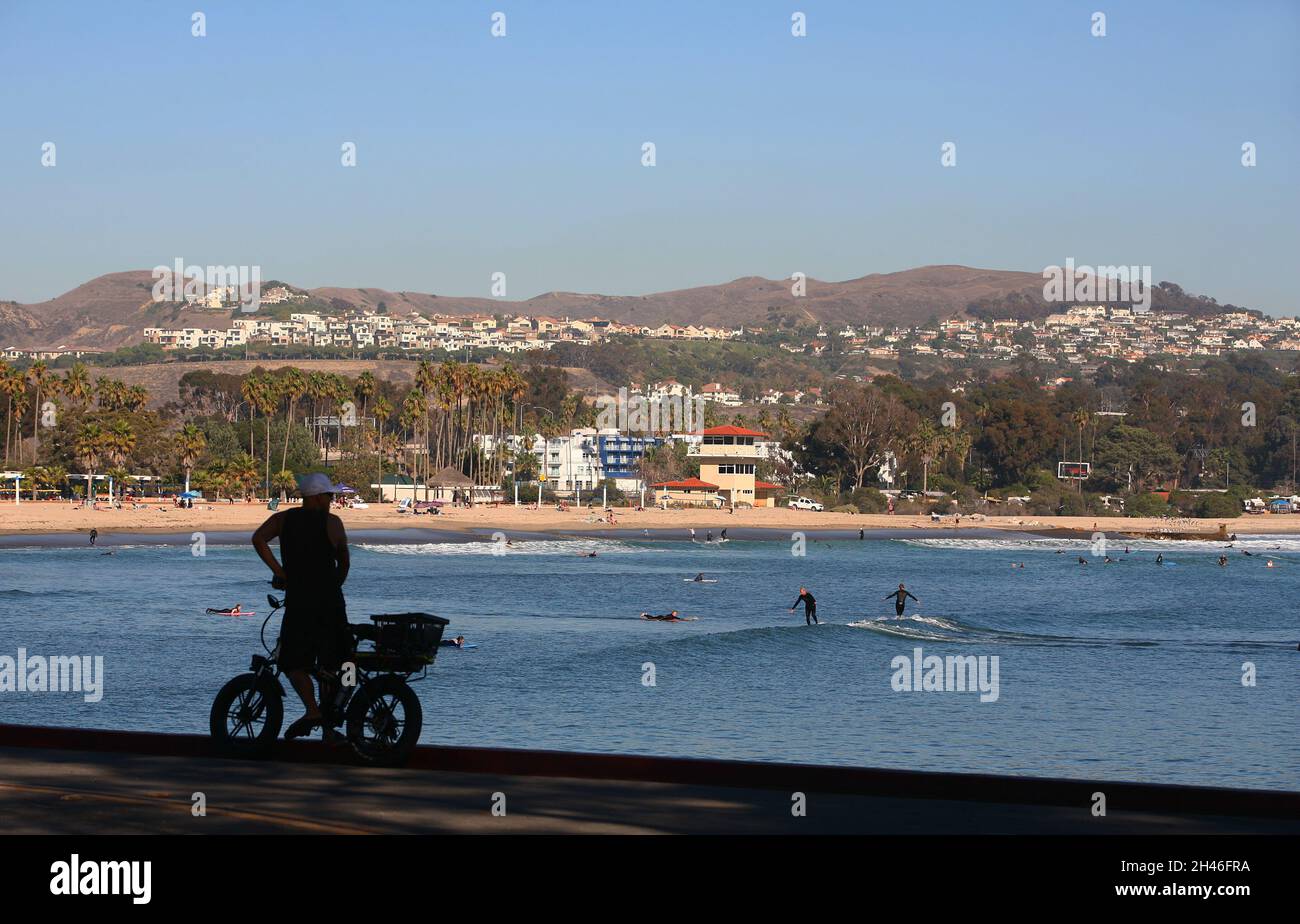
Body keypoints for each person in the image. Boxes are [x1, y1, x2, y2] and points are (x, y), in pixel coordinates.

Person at [252, 473, 351, 741]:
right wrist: (334, 587)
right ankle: (328, 727)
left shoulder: (283, 519)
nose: (332, 500)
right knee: (334, 665)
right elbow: (343, 561)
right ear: (317, 497)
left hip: (300, 603)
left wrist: (281, 572)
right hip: (330, 604)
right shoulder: (333, 524)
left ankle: (312, 711)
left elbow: (258, 539)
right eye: (329, 496)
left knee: (292, 662)